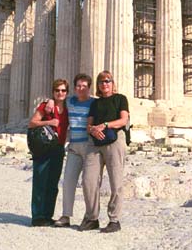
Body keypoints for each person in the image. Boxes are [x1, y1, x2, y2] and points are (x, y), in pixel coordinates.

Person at [80, 71, 129, 233]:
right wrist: (93, 129)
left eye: (107, 81)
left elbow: (124, 120)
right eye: (101, 82)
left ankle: (114, 219)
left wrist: (105, 125)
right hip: (95, 142)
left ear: (112, 83)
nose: (104, 84)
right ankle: (92, 218)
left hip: (114, 140)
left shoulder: (120, 99)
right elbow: (88, 125)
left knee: (116, 181)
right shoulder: (95, 103)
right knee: (89, 180)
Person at [53, 73, 95, 228]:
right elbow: (58, 100)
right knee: (68, 181)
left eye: (84, 86)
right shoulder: (70, 101)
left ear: (89, 88)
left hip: (90, 147)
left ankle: (90, 216)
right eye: (78, 86)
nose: (81, 89)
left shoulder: (94, 103)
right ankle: (66, 216)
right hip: (74, 147)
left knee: (88, 183)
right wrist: (50, 101)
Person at [28, 79, 69, 227]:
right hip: (44, 147)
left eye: (63, 90)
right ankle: (38, 216)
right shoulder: (46, 106)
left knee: (52, 183)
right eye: (57, 90)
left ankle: (47, 215)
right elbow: (32, 123)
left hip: (58, 148)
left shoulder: (68, 108)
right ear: (53, 92)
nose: (60, 93)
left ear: (67, 93)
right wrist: (49, 122)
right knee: (40, 181)